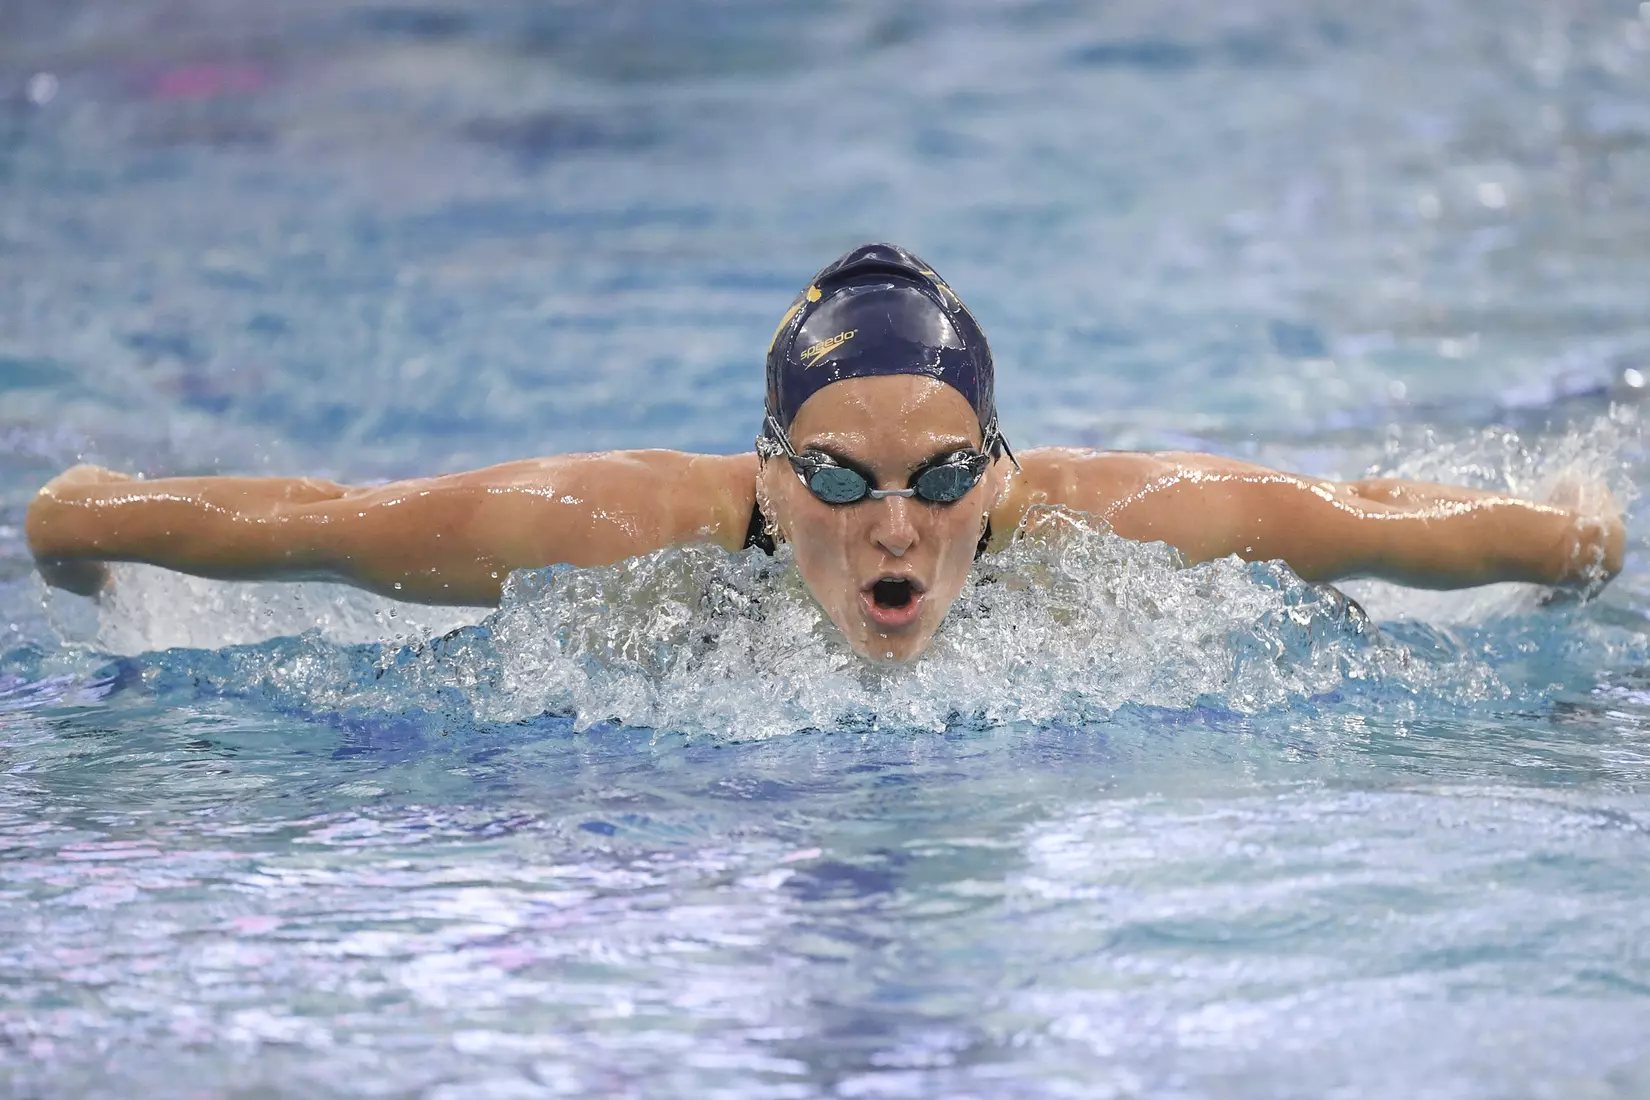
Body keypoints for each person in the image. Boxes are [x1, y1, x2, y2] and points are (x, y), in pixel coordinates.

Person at [25, 244, 1626, 662]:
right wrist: (90, 515)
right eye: (839, 477)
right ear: (769, 479)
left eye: (938, 476)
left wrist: (1558, 537)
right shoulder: (620, 531)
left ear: (994, 473)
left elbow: (1363, 517)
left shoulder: (1102, 524)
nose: (894, 523)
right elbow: (322, 519)